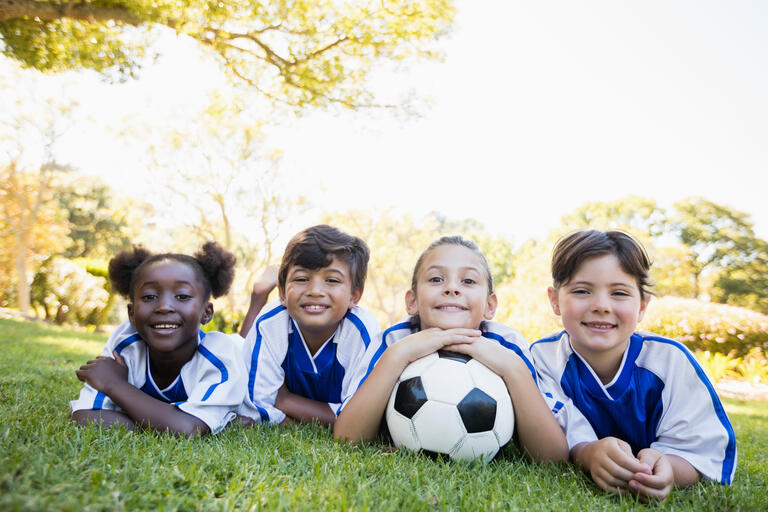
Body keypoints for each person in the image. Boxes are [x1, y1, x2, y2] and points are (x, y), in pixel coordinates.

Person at [531, 230, 736, 501]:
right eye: (582, 290)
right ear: (555, 300)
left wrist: (668, 468)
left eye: (619, 293)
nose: (601, 306)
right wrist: (589, 454)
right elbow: (550, 440)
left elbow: (703, 453)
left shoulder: (671, 361)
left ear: (642, 306)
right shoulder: (542, 359)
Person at [334, 236, 569, 463]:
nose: (452, 288)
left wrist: (513, 370)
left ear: (490, 305)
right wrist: (398, 356)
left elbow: (553, 458)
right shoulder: (394, 340)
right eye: (436, 279)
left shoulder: (507, 345)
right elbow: (347, 438)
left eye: (468, 281)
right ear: (412, 302)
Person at [70, 242, 246, 437]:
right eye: (149, 297)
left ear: (206, 312)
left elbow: (187, 429)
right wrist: (164, 422)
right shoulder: (125, 345)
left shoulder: (221, 355)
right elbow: (85, 416)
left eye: (182, 296)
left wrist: (115, 385)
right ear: (131, 313)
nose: (164, 306)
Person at [238, 225, 379, 426]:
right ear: (283, 293)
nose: (315, 291)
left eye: (331, 280)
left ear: (354, 295)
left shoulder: (362, 331)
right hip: (240, 351)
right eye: (302, 279)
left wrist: (285, 401)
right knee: (235, 348)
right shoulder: (272, 322)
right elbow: (254, 407)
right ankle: (259, 293)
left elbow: (357, 419)